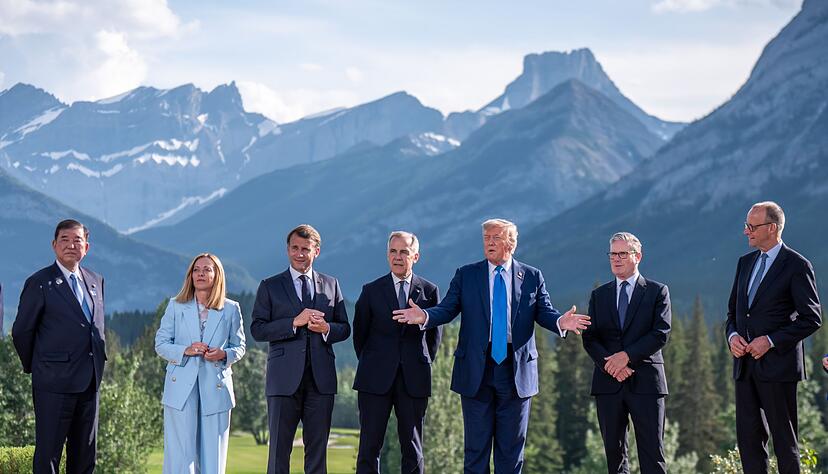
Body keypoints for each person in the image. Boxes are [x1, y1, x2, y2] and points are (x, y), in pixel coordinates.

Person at [393, 218, 590, 473]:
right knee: (476, 451)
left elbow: (544, 312)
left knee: (511, 452)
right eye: (486, 238)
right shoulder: (467, 274)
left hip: (516, 372)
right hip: (477, 370)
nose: (489, 242)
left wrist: (561, 322)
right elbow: (447, 308)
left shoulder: (532, 276)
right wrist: (425, 316)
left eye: (496, 237)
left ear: (511, 243)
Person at [726, 201, 821, 474]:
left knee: (785, 444)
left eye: (752, 226)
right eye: (746, 225)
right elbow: (732, 313)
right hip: (745, 367)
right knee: (749, 443)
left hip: (779, 368)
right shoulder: (745, 263)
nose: (746, 231)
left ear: (772, 228)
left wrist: (770, 341)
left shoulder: (797, 265)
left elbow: (812, 318)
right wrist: (732, 336)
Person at [251, 224, 351, 474]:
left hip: (321, 381)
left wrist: (326, 328)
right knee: (278, 452)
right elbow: (258, 330)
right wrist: (293, 323)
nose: (299, 254)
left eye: (305, 249)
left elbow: (344, 328)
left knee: (317, 453)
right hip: (283, 380)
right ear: (287, 250)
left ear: (316, 251)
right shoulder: (270, 286)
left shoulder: (331, 284)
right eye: (294, 248)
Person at [12, 219, 106, 473]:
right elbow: (21, 331)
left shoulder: (96, 280)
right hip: (53, 383)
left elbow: (95, 327)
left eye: (77, 240)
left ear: (86, 247)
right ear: (54, 245)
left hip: (90, 382)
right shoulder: (40, 282)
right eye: (64, 239)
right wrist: (39, 365)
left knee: (85, 456)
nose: (71, 245)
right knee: (49, 455)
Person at [353, 231, 442, 474]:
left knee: (413, 449)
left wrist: (418, 362)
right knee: (369, 448)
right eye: (393, 251)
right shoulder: (371, 290)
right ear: (387, 255)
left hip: (414, 379)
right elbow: (360, 334)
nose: (398, 257)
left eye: (404, 252)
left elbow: (434, 338)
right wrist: (376, 362)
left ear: (416, 256)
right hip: (374, 380)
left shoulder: (429, 291)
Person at [582, 232, 671, 474]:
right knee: (615, 457)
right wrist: (610, 366)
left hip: (646, 383)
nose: (616, 259)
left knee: (653, 455)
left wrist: (626, 357)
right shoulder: (599, 295)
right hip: (608, 384)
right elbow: (590, 338)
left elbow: (660, 333)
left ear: (637, 256)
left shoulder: (657, 291)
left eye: (622, 254)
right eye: (613, 254)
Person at [155, 253, 246, 474]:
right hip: (180, 388)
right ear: (190, 275)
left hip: (216, 387)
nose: (200, 274)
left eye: (207, 269)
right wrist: (185, 350)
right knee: (180, 457)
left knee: (213, 456)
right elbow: (161, 344)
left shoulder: (231, 308)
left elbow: (240, 347)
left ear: (217, 275)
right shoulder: (176, 306)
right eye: (196, 270)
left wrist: (223, 355)